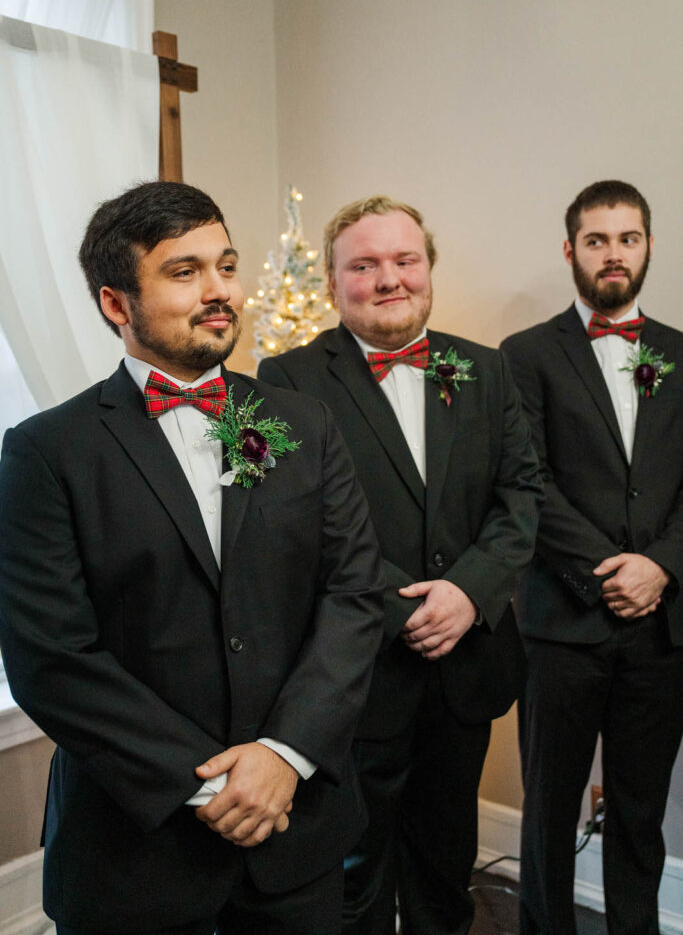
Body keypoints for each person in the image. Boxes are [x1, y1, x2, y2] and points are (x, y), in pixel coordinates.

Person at [0, 181, 386, 935]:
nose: (219, 293)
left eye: (225, 266)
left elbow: (354, 594)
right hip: (134, 845)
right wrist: (208, 789)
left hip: (295, 831)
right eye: (183, 272)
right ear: (117, 304)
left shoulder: (302, 423)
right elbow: (52, 657)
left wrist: (284, 754)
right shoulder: (47, 451)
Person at [258, 194, 542, 934]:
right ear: (331, 283)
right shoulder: (282, 380)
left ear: (427, 271)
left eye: (404, 260)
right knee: (352, 872)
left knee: (446, 868)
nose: (389, 278)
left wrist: (466, 593)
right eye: (364, 265)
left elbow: (520, 498)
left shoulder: (485, 370)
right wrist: (405, 605)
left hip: (464, 669)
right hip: (355, 673)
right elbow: (295, 526)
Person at [501, 180, 683, 935]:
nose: (614, 254)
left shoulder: (678, 353)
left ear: (646, 246)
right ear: (570, 249)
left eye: (628, 238)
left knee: (639, 811)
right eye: (598, 240)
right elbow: (526, 482)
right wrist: (611, 572)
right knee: (548, 807)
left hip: (662, 628)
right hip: (561, 623)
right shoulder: (525, 355)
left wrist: (661, 566)